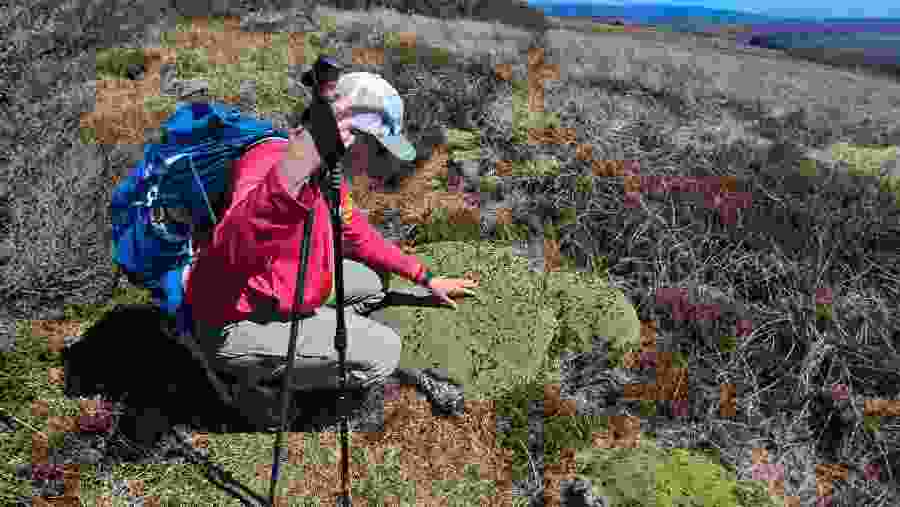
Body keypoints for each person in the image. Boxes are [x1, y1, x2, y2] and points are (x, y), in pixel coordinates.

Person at [181, 71, 479, 398]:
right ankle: (252, 383)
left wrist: (425, 277)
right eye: (380, 152)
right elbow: (232, 246)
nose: (382, 168)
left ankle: (312, 334)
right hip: (233, 318)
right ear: (352, 140)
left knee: (374, 281)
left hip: (285, 287)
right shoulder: (272, 164)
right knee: (383, 353)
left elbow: (360, 237)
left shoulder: (328, 177)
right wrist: (293, 175)